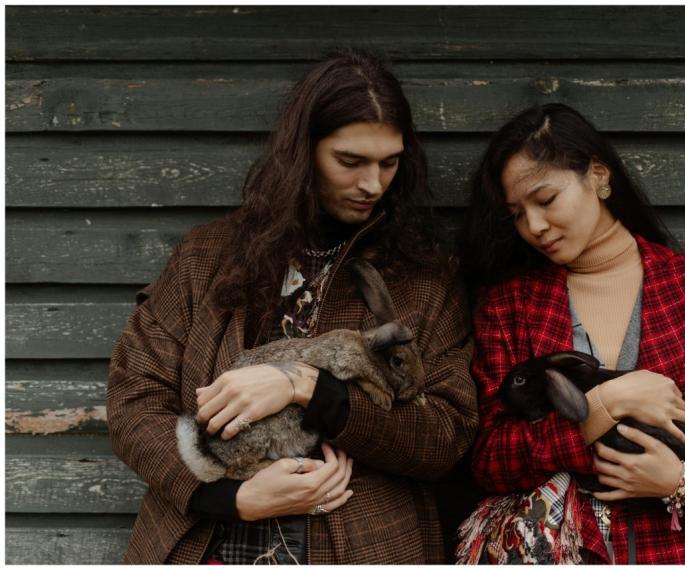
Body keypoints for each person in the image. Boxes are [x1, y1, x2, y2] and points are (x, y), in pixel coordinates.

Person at [107, 48, 478, 565]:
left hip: (365, 543)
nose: (373, 184)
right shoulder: (206, 258)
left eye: (389, 162)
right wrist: (231, 499)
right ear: (304, 151)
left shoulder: (423, 280)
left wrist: (309, 387)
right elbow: (134, 399)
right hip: (209, 537)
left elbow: (445, 436)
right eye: (350, 161)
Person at [455, 103, 685, 564]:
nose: (534, 227)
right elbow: (488, 457)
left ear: (599, 176)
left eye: (545, 200)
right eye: (517, 214)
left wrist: (681, 481)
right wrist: (599, 410)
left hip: (681, 554)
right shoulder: (510, 306)